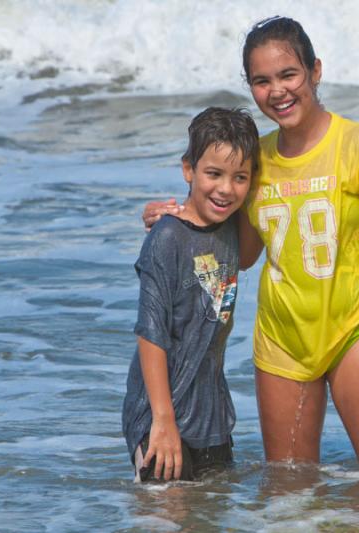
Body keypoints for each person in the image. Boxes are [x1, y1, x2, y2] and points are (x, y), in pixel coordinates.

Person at [143, 16, 359, 471]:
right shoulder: (255, 159)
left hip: (356, 330)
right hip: (281, 341)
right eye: (261, 81)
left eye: (288, 74)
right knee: (290, 501)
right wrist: (176, 221)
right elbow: (238, 254)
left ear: (314, 71)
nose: (277, 90)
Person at [124, 106, 260, 481]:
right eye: (213, 174)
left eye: (240, 178)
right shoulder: (167, 238)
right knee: (168, 515)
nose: (226, 188)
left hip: (211, 414)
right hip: (159, 411)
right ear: (189, 170)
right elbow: (151, 333)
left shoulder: (232, 229)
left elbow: (248, 257)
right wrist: (163, 421)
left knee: (208, 514)